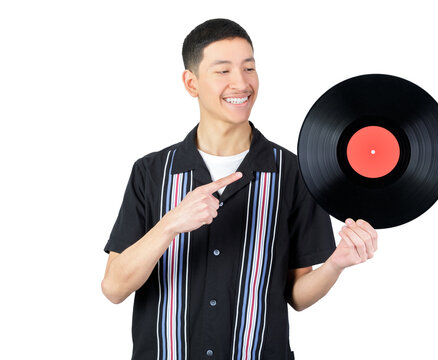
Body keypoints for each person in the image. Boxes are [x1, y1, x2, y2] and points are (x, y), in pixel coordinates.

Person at [102, 18, 378, 360]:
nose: (241, 83)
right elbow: (114, 288)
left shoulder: (294, 172)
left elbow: (297, 295)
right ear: (191, 83)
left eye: (249, 68)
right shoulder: (152, 171)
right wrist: (171, 223)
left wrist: (336, 264)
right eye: (223, 71)